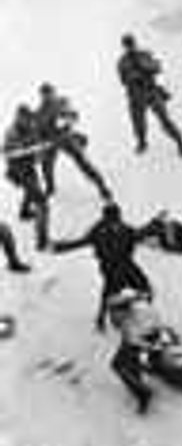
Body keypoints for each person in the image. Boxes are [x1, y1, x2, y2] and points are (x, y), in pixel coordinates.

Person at [52, 202, 152, 331]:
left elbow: (138, 234)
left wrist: (152, 225)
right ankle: (102, 319)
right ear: (106, 219)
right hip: (109, 265)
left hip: (126, 262)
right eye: (111, 220)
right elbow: (81, 242)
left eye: (116, 219)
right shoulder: (98, 231)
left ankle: (138, 312)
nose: (115, 223)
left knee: (144, 286)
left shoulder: (125, 228)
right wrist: (60, 247)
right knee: (112, 287)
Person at [32, 83, 111, 200]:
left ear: (53, 93)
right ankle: (50, 187)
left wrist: (67, 120)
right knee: (46, 167)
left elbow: (74, 116)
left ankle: (101, 185)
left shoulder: (61, 103)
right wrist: (40, 147)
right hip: (51, 142)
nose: (48, 97)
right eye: (45, 95)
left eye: (49, 93)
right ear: (41, 97)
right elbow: (37, 132)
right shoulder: (39, 112)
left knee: (83, 162)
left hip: (65, 138)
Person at [117, 34, 182, 156]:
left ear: (134, 44)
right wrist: (134, 77)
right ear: (124, 47)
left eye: (131, 44)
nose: (130, 47)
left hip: (151, 92)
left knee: (165, 120)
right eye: (127, 45)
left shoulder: (144, 55)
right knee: (138, 123)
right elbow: (123, 80)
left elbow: (158, 67)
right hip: (136, 96)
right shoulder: (122, 62)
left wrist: (145, 66)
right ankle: (142, 142)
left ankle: (179, 141)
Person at [4, 105, 50, 250]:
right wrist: (30, 150)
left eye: (28, 119)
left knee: (31, 190)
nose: (27, 121)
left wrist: (41, 151)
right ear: (18, 117)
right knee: (42, 203)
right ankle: (42, 241)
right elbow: (9, 154)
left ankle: (24, 212)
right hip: (18, 170)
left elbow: (38, 145)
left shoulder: (31, 128)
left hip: (29, 168)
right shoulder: (11, 133)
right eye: (24, 118)